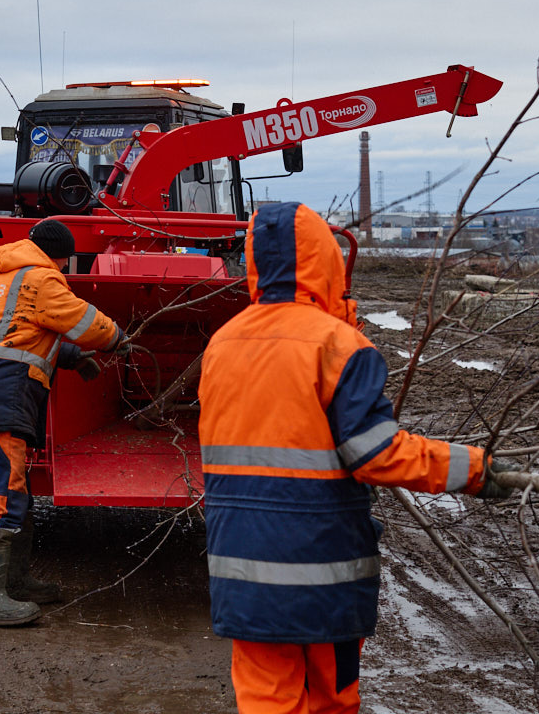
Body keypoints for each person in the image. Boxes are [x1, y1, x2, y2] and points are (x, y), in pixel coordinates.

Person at [198, 202, 513, 712]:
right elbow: (379, 454)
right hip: (324, 568)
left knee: (265, 699)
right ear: (327, 260)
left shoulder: (222, 344)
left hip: (241, 567)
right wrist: (474, 470)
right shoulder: (340, 345)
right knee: (331, 699)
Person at [0, 219, 128, 627]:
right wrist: (117, 337)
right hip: (2, 396)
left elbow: (17, 334)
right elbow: (84, 322)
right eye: (67, 262)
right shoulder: (42, 280)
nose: (66, 269)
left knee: (14, 491)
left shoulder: (2, 277)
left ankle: (14, 582)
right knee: (1, 496)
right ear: (62, 256)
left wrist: (67, 358)